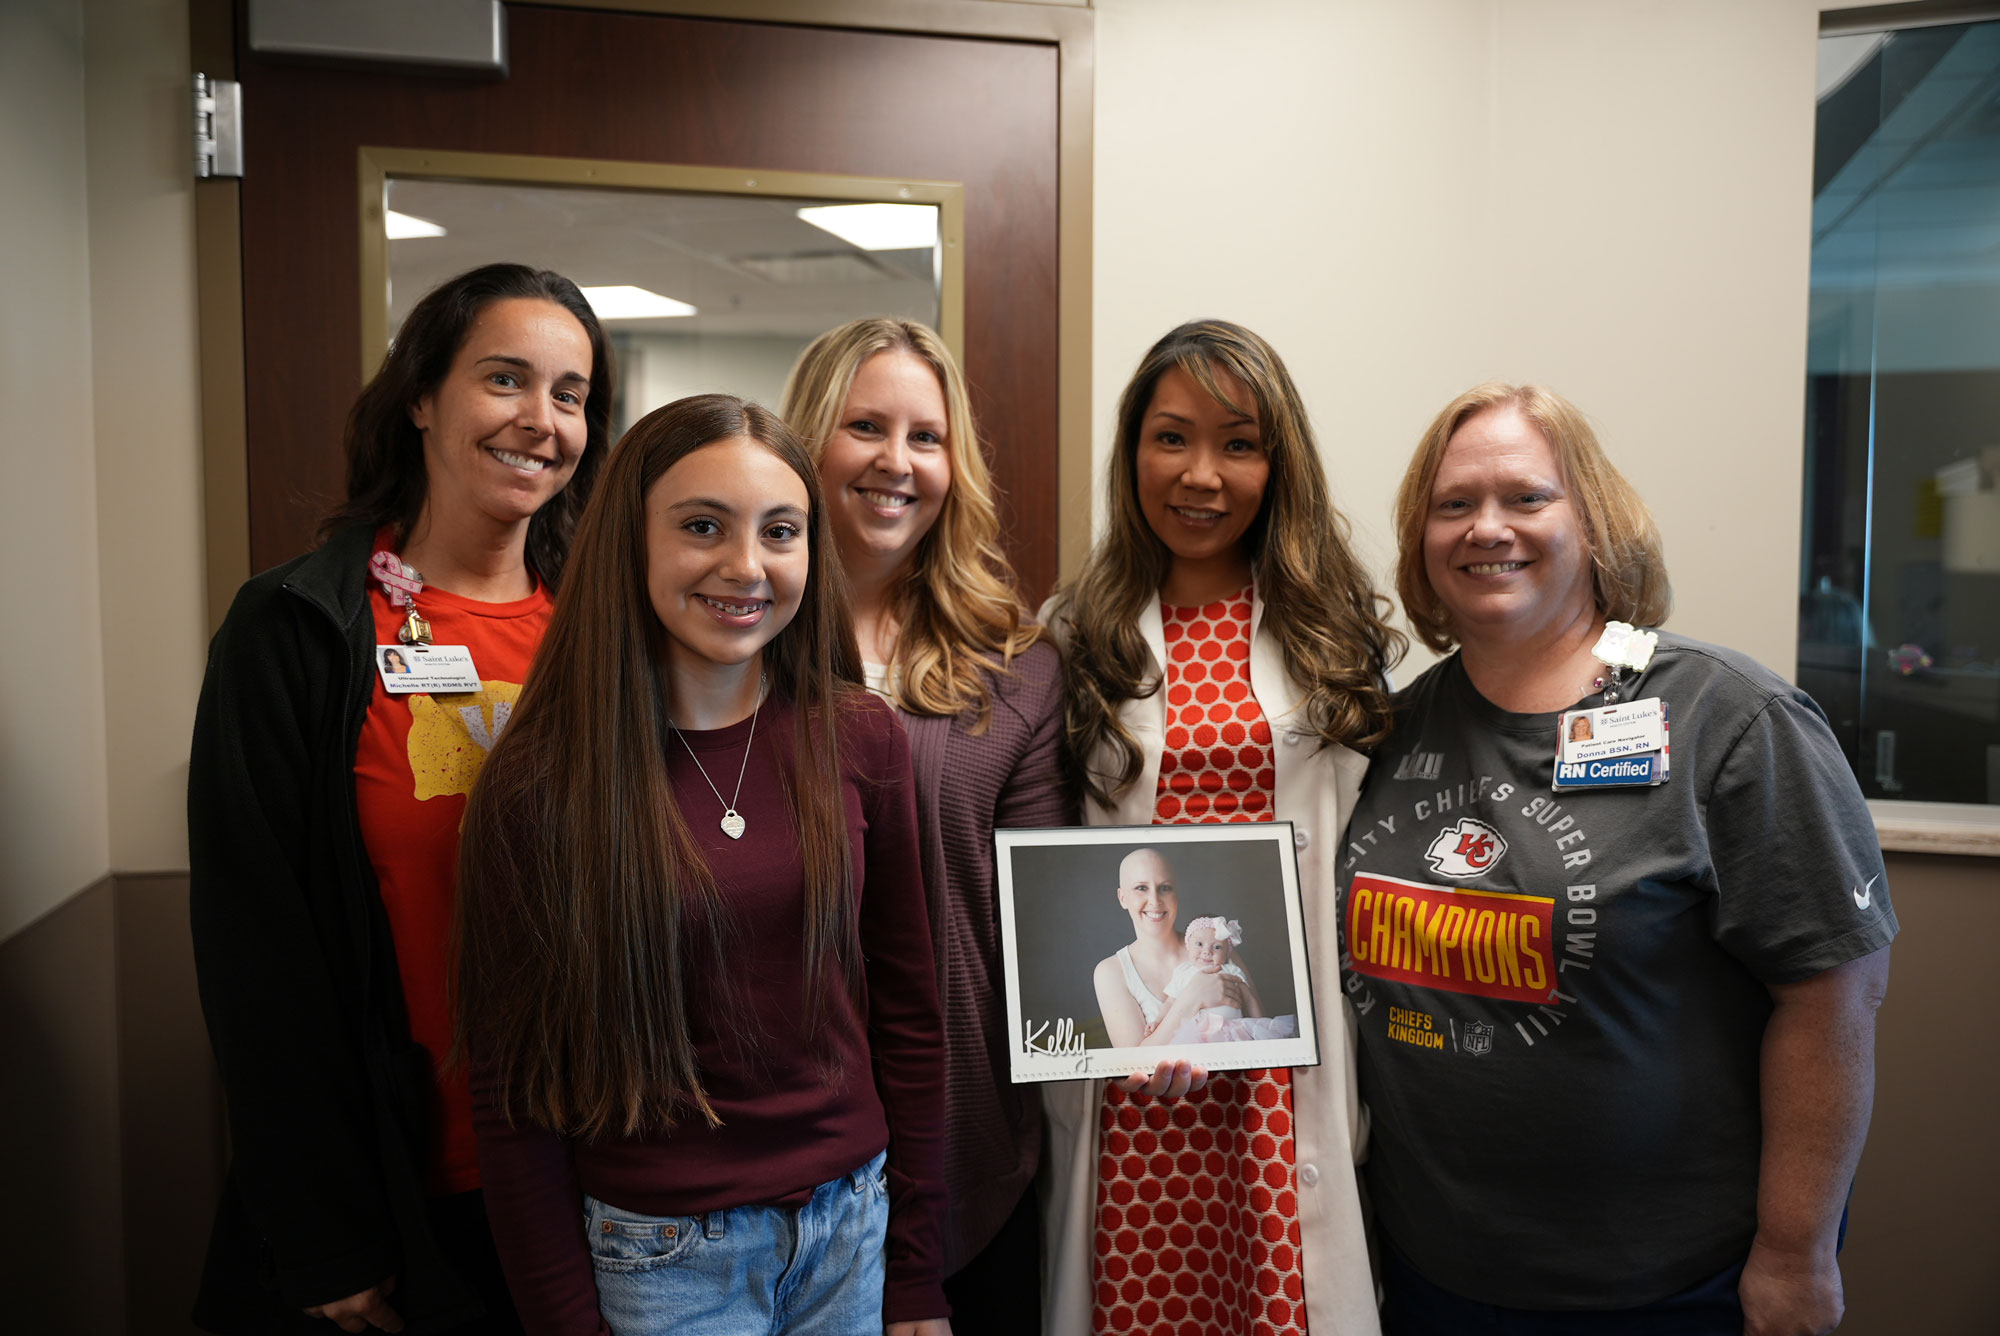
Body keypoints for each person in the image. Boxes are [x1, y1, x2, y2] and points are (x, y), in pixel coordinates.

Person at [1340, 381, 1897, 1335]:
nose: (1487, 528)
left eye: (1526, 497)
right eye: (1453, 504)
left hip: (1668, 1285)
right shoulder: (1389, 726)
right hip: (1432, 1270)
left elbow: (1836, 995)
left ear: (1594, 523)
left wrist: (1797, 1252)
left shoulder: (1731, 720)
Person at [454, 394, 950, 1336]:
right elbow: (513, 1099)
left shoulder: (860, 736)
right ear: (629, 542)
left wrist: (918, 1274)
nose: (746, 566)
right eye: (701, 527)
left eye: (781, 532)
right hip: (664, 1260)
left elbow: (910, 1019)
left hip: (852, 1233)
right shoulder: (540, 783)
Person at [188, 264, 613, 1335]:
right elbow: (259, 952)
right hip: (394, 1188)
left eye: (570, 394)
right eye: (505, 380)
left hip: (597, 1185)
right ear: (421, 395)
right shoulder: (296, 631)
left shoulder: (612, 633)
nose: (540, 420)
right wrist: (324, 1234)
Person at [1041, 320, 1401, 1336]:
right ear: (1130, 452)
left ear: (1274, 464)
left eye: (1237, 444)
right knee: (1131, 1290)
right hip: (1131, 1092)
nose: (1201, 474)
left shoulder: (1330, 633)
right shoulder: (1074, 632)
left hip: (1277, 1074)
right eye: (1171, 438)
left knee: (1275, 1285)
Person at [779, 318, 1070, 1333]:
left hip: (963, 1146)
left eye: (925, 436)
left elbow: (1035, 926)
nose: (895, 462)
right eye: (864, 426)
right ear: (805, 439)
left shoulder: (1016, 667)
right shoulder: (731, 643)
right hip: (771, 1158)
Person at [1165, 917, 1294, 1045]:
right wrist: (1158, 1021)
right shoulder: (1183, 972)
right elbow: (1170, 1001)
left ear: (1227, 953)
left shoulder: (1232, 970)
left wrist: (1260, 1023)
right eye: (1199, 944)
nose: (1207, 952)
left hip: (1232, 1030)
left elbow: (1248, 999)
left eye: (1216, 947)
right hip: (1197, 1033)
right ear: (1188, 946)